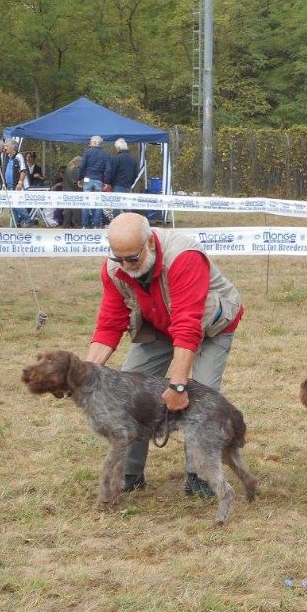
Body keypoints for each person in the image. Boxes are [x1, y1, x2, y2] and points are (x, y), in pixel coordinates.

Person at [85, 212, 244, 497]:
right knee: (127, 392)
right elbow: (109, 324)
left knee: (202, 396)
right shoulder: (115, 269)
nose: (124, 266)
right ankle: (130, 475)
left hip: (211, 324)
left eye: (132, 259)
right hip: (160, 324)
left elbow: (187, 324)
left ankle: (200, 476)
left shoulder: (184, 257)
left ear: (150, 243)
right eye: (117, 258)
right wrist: (82, 376)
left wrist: (178, 385)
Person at [78, 135, 111, 229]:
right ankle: (96, 225)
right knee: (98, 203)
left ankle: (84, 225)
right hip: (99, 180)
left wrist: (79, 178)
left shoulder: (87, 152)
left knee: (86, 202)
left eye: (91, 142)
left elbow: (82, 166)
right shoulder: (105, 153)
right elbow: (108, 170)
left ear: (95, 142)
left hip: (88, 179)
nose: (90, 143)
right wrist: (106, 182)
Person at [107, 138, 138, 216]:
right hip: (128, 185)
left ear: (118, 148)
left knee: (116, 205)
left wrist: (110, 183)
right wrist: (131, 182)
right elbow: (136, 173)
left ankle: (117, 223)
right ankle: (129, 223)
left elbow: (112, 172)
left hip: (117, 185)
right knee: (127, 205)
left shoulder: (116, 158)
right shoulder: (133, 159)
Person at [4, 140, 31, 227]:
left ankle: (28, 220)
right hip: (9, 186)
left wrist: (20, 183)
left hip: (17, 185)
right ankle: (15, 223)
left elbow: (23, 170)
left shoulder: (19, 156)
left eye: (7, 146)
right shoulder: (7, 157)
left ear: (13, 147)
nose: (5, 148)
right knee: (11, 206)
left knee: (17, 204)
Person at [61, 156, 83, 229]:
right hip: (73, 192)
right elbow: (74, 182)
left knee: (68, 210)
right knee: (76, 209)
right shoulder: (72, 170)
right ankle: (78, 225)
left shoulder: (69, 169)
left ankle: (66, 226)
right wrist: (80, 186)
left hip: (67, 191)